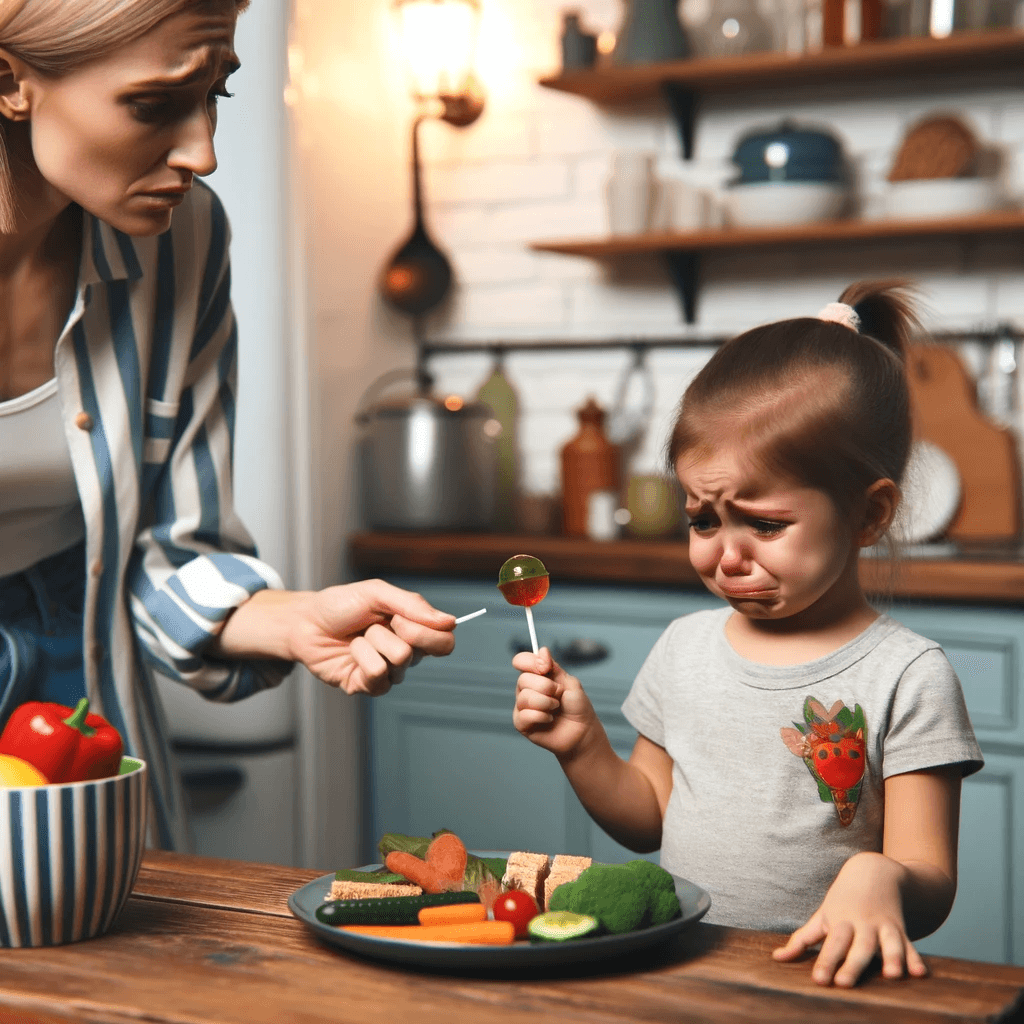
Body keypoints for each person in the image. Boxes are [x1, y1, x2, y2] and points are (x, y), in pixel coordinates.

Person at [0, 0, 457, 851]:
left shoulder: (184, 240)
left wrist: (294, 617)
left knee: (116, 971)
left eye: (217, 95)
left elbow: (168, 546)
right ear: (11, 81)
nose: (201, 153)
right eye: (152, 104)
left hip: (81, 678)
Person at [512, 281, 984, 988]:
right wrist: (582, 749)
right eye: (703, 520)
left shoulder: (908, 675)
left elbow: (932, 883)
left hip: (830, 986)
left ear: (869, 515)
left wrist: (881, 876)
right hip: (686, 976)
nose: (724, 555)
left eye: (763, 524)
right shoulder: (684, 647)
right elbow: (650, 817)